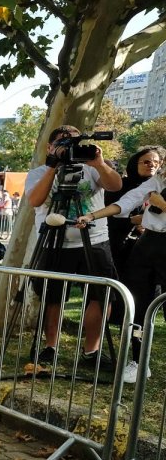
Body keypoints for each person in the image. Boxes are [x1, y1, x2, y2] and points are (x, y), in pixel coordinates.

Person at [24, 124, 123, 367]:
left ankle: (92, 351)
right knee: (53, 297)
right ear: (50, 147)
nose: (70, 147)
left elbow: (115, 186)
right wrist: (52, 166)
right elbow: (35, 200)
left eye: (74, 142)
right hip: (54, 242)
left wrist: (99, 163)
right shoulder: (39, 172)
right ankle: (50, 347)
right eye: (63, 142)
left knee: (101, 296)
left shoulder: (93, 167)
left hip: (95, 239)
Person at [80, 158, 166, 383]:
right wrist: (93, 215)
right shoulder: (159, 180)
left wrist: (163, 204)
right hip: (148, 244)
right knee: (138, 304)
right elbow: (129, 200)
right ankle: (139, 362)